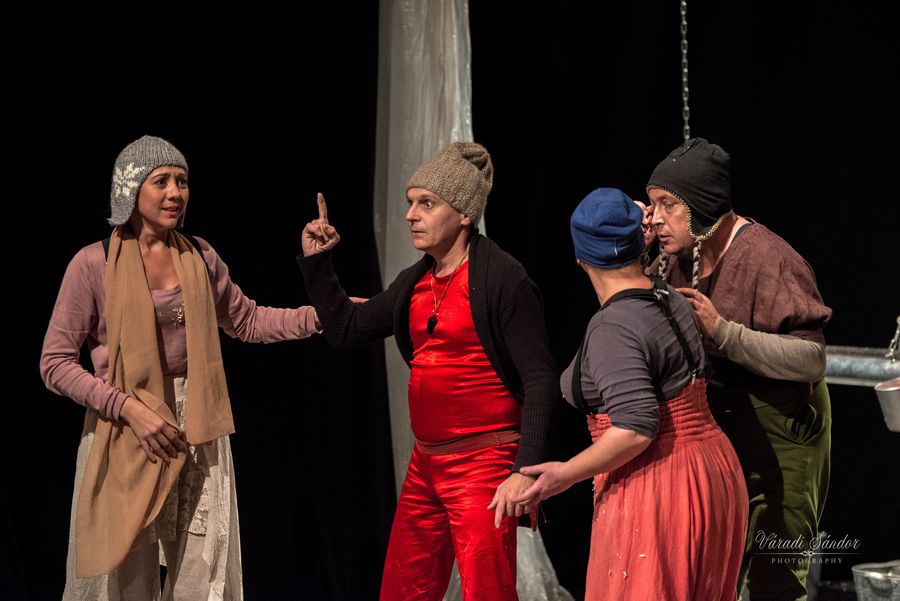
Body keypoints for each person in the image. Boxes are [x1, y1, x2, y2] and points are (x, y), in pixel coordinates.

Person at [40, 135, 322, 600]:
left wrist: (322, 315)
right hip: (126, 427)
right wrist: (129, 408)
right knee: (125, 578)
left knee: (200, 576)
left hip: (198, 426)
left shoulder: (199, 256)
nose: (176, 192)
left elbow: (247, 321)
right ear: (131, 190)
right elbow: (54, 363)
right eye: (162, 181)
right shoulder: (93, 264)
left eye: (182, 181)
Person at [297, 141, 560, 601]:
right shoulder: (416, 281)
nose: (410, 215)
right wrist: (319, 264)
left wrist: (524, 470)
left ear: (464, 214)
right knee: (403, 591)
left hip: (484, 465)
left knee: (488, 593)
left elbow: (540, 380)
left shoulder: (503, 278)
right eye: (410, 203)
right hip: (428, 465)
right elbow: (346, 328)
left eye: (426, 203)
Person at [513, 187, 748, 600]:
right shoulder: (666, 295)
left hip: (659, 484)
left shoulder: (615, 326)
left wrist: (562, 475)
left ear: (580, 258)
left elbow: (636, 428)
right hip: (711, 470)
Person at [645, 138, 832, 600]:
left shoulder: (767, 258)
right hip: (722, 425)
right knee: (717, 569)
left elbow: (812, 357)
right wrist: (636, 252)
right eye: (652, 205)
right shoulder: (677, 254)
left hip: (782, 426)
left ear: (702, 206)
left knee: (775, 574)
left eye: (669, 204)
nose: (656, 217)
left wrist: (724, 332)